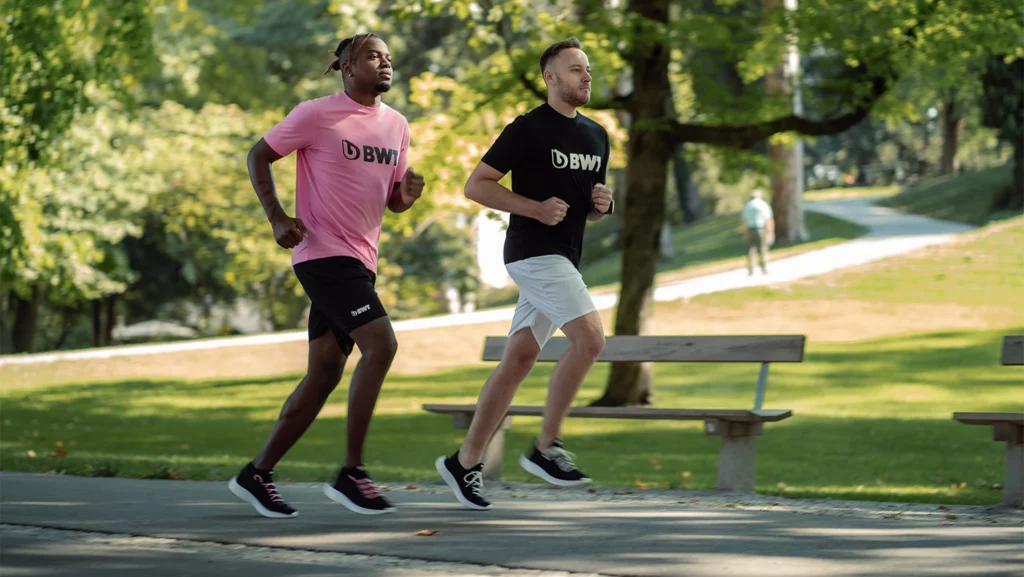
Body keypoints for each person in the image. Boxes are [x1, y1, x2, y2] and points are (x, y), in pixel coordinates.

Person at [229, 33, 424, 519]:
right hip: (321, 254)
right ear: (345, 65)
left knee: (324, 375)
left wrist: (408, 194)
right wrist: (276, 216)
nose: (385, 63)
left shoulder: (397, 125)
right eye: (374, 56)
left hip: (361, 261)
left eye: (389, 58)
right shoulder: (316, 113)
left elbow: (392, 200)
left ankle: (257, 473)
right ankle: (352, 473)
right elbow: (258, 155)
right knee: (382, 345)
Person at [435, 38, 613, 511]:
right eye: (575, 69)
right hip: (532, 254)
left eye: (588, 69)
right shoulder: (527, 129)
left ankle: (464, 462)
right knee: (591, 340)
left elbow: (586, 208)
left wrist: (602, 206)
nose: (585, 76)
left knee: (518, 359)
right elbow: (476, 186)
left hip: (564, 257)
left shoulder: (597, 135)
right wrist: (532, 208)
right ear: (550, 78)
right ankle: (546, 447)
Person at [741, 189, 774, 276]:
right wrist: (770, 231)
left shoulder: (747, 206)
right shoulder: (763, 205)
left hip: (750, 229)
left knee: (750, 250)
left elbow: (744, 220)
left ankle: (751, 269)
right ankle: (764, 268)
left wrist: (745, 232)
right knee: (763, 248)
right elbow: (768, 219)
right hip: (761, 228)